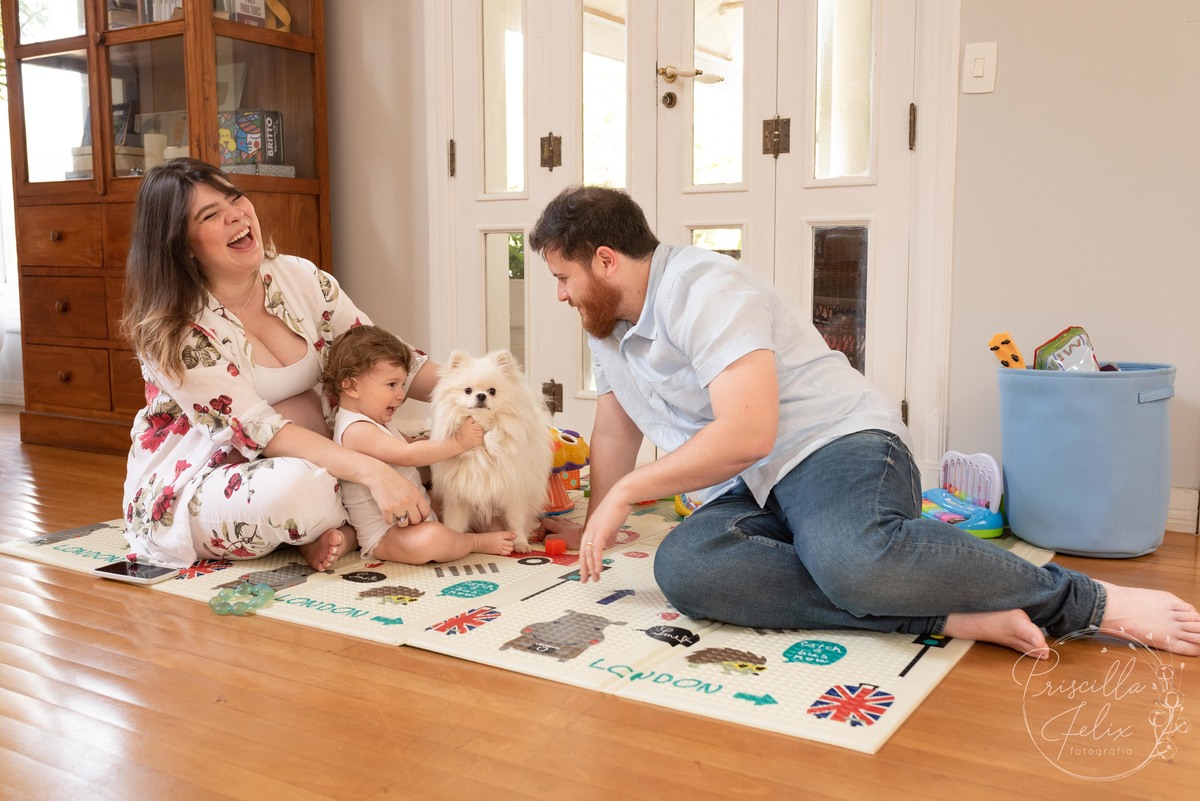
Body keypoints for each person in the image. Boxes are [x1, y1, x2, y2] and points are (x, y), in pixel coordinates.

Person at [528, 185, 1200, 658]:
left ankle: (1086, 601)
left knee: (853, 559)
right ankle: (942, 610)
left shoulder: (706, 290)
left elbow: (748, 432)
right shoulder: (609, 327)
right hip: (757, 483)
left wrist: (628, 491)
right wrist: (594, 520)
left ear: (606, 260)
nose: (559, 293)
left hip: (838, 446)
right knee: (688, 567)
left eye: (563, 276)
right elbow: (615, 427)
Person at [120, 158, 435, 572]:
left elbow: (380, 358)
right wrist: (376, 472)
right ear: (181, 245)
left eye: (235, 198)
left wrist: (484, 395)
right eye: (211, 215)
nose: (236, 214)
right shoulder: (177, 332)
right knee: (299, 493)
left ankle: (340, 528)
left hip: (324, 453)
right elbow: (262, 432)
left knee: (445, 448)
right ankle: (346, 521)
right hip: (210, 477)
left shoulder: (298, 276)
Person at [323, 325, 518, 562]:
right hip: (387, 534)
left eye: (402, 385)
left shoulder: (374, 423)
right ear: (352, 386)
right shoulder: (355, 430)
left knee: (457, 496)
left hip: (413, 515)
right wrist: (458, 442)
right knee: (434, 539)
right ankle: (474, 542)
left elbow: (412, 444)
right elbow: (407, 454)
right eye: (392, 385)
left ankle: (477, 527)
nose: (401, 395)